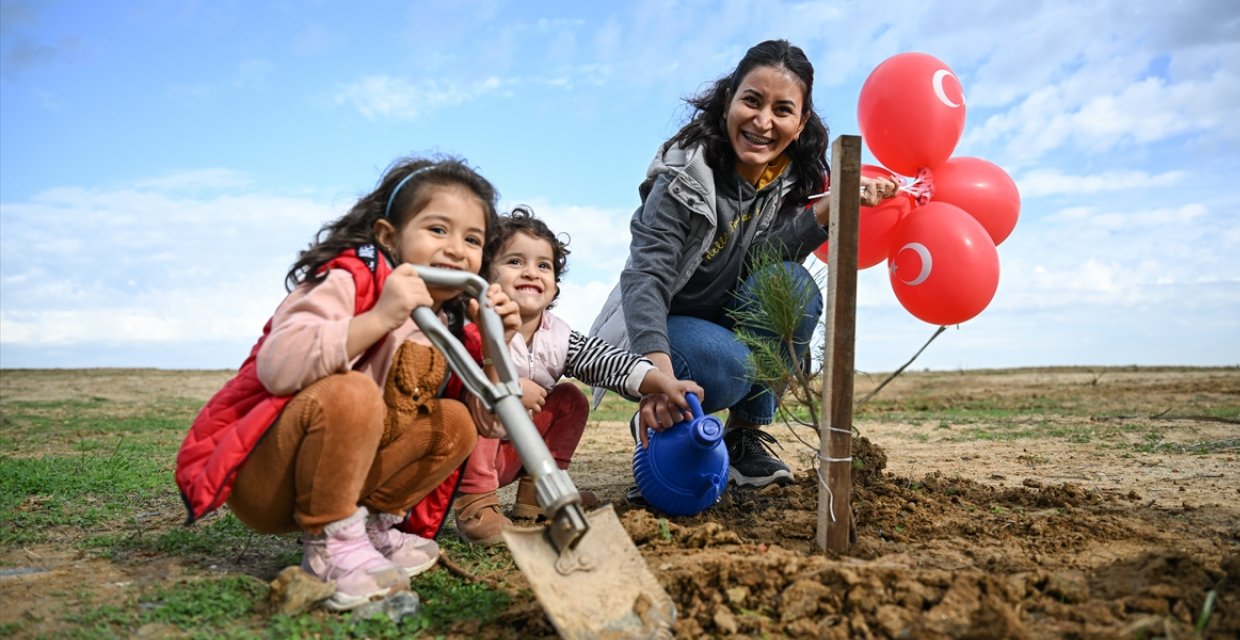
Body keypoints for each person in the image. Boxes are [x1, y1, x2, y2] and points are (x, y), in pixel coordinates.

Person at [175, 156, 521, 612]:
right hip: (272, 481)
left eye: (472, 239)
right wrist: (379, 318)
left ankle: (371, 530)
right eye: (438, 230)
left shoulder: (451, 322)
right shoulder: (350, 279)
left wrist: (500, 343)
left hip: (350, 478)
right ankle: (330, 546)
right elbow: (277, 366)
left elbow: (491, 425)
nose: (456, 249)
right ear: (388, 236)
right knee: (352, 392)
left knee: (454, 422)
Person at [589, 39, 899, 489]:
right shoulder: (684, 176)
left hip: (724, 322)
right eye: (752, 101)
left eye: (781, 109)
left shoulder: (788, 180)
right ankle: (666, 426)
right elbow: (646, 277)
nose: (762, 121)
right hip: (662, 332)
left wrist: (828, 207)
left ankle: (742, 438)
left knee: (795, 288)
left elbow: (761, 263)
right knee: (729, 362)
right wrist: (654, 375)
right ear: (729, 99)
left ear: (801, 122)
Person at [452, 206, 702, 545]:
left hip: (516, 452)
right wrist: (507, 388)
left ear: (554, 287)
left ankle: (540, 493)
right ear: (485, 277)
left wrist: (663, 382)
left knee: (570, 398)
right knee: (474, 398)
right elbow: (457, 383)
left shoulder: (559, 336)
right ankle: (476, 505)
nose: (531, 272)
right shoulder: (473, 326)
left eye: (544, 265)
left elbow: (610, 363)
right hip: (467, 455)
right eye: (514, 262)